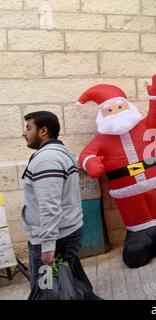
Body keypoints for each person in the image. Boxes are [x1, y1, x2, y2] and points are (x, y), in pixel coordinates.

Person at [77, 74, 156, 268]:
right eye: (110, 110)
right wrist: (90, 163)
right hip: (131, 206)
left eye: (119, 107)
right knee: (135, 254)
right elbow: (86, 154)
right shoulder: (102, 140)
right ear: (102, 115)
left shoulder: (143, 126)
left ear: (127, 106)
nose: (117, 112)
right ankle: (139, 238)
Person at [22, 111, 94, 295]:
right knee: (66, 283)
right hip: (65, 231)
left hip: (54, 238)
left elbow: (49, 206)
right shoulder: (60, 153)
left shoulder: (47, 160)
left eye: (29, 128)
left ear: (43, 131)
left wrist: (47, 247)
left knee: (46, 291)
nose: (24, 133)